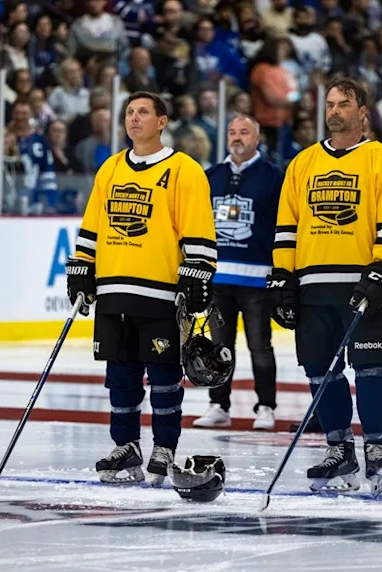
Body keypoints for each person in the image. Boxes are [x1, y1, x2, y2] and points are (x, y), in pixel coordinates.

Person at [269, 78, 382, 495]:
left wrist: (381, 270)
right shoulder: (302, 164)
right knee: (320, 370)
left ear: (362, 111)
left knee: (372, 367)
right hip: (314, 285)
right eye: (330, 104)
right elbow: (287, 228)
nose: (335, 111)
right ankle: (339, 448)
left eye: (344, 104)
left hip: (363, 284)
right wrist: (283, 279)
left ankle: (376, 449)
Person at [66, 91, 216, 485]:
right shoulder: (110, 169)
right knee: (120, 375)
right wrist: (82, 266)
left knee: (164, 376)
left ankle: (164, 447)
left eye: (144, 112)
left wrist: (198, 273)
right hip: (114, 289)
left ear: (162, 121)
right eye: (130, 113)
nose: (134, 119)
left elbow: (198, 231)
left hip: (161, 294)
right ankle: (126, 446)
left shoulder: (184, 170)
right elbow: (93, 225)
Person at [193, 114, 283, 431]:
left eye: (244, 132)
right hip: (219, 280)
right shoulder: (211, 176)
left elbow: (285, 226)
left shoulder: (274, 176)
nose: (237, 137)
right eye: (232, 132)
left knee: (260, 347)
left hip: (258, 279)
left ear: (257, 138)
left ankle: (266, 407)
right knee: (219, 347)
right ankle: (218, 404)